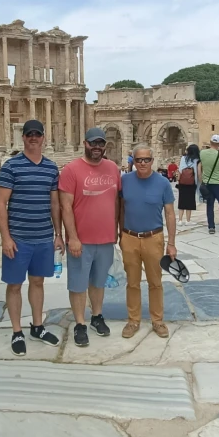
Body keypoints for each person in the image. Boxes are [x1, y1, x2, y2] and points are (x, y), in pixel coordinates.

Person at [0, 119, 64, 356]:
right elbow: (1, 203)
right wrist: (6, 237)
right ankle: (17, 331)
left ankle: (37, 326)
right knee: (14, 285)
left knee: (37, 282)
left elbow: (55, 203)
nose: (33, 138)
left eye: (37, 134)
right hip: (19, 238)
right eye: (29, 134)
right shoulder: (11, 166)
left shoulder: (51, 168)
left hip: (43, 237)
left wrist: (58, 234)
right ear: (23, 137)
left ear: (43, 137)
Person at [59, 127, 120, 347]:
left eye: (100, 143)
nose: (97, 147)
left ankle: (96, 316)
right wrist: (72, 237)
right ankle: (79, 324)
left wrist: (116, 229)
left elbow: (115, 201)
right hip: (81, 239)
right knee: (77, 284)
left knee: (98, 281)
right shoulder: (71, 170)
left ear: (105, 146)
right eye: (93, 143)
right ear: (85, 143)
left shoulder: (113, 168)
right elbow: (65, 206)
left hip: (105, 238)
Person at [118, 144, 176, 339]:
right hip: (130, 237)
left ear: (152, 161)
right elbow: (120, 209)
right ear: (133, 161)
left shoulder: (162, 183)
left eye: (146, 159)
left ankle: (157, 320)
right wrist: (120, 234)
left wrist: (172, 243)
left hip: (154, 238)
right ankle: (133, 320)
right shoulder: (124, 181)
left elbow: (169, 213)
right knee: (132, 282)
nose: (142, 163)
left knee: (155, 282)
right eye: (139, 159)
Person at [177, 144, 201, 227]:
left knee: (182, 201)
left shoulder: (183, 158)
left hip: (182, 182)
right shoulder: (197, 160)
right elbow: (198, 173)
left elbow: (180, 170)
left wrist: (178, 181)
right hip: (191, 183)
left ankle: (180, 220)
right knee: (190, 201)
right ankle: (188, 220)